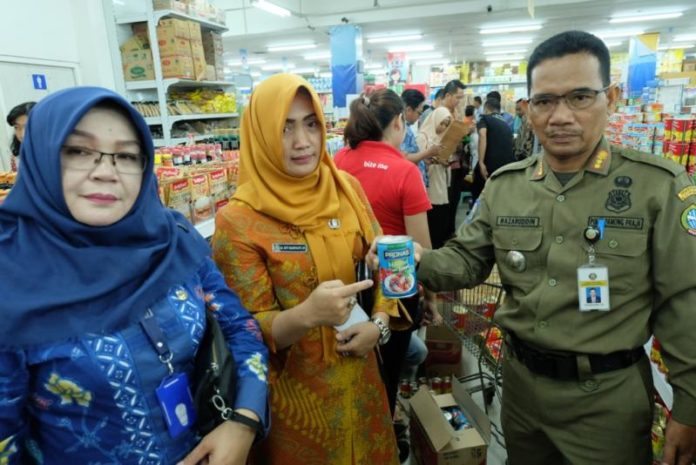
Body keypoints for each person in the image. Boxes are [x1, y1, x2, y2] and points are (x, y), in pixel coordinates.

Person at [376, 30, 696, 465]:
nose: (561, 115)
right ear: (527, 109)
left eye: (580, 97)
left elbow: (684, 301)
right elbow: (467, 260)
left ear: (612, 98)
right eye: (545, 101)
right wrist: (419, 261)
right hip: (521, 390)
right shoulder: (506, 187)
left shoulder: (656, 187)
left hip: (607, 401)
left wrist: (689, 407)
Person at [0, 87, 269, 465]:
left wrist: (244, 421)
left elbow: (241, 329)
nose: (106, 172)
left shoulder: (172, 239)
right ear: (39, 157)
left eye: (126, 155)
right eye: (78, 151)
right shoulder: (10, 280)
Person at [212, 74, 402, 465]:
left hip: (362, 381)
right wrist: (306, 316)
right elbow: (244, 330)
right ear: (261, 134)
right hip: (297, 404)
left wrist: (380, 324)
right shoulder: (239, 221)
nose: (302, 142)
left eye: (310, 123)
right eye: (285, 127)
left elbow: (386, 260)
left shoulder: (345, 187)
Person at [334, 88, 441, 462]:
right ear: (398, 123)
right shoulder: (404, 171)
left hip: (342, 290)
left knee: (347, 373)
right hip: (394, 291)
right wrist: (430, 300)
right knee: (387, 375)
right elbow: (421, 248)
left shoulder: (337, 162)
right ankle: (382, 440)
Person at [417, 107, 452, 249]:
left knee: (440, 220)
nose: (443, 127)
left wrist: (445, 161)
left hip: (440, 183)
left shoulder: (442, 138)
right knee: (432, 223)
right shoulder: (422, 136)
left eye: (446, 124)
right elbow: (418, 162)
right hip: (429, 186)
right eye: (441, 123)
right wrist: (432, 158)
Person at [472, 98, 515, 201]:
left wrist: (481, 162)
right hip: (507, 167)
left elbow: (482, 135)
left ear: (486, 108)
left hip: (490, 166)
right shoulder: (505, 123)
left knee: (480, 194)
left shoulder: (484, 118)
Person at [400, 88, 441, 188]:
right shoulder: (401, 129)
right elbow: (403, 158)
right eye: (419, 113)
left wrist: (422, 159)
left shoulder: (406, 128)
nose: (419, 117)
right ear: (409, 110)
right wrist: (428, 153)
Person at [5, 101, 36, 172]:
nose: (22, 134)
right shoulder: (17, 154)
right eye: (17, 127)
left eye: (28, 127)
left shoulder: (56, 154)